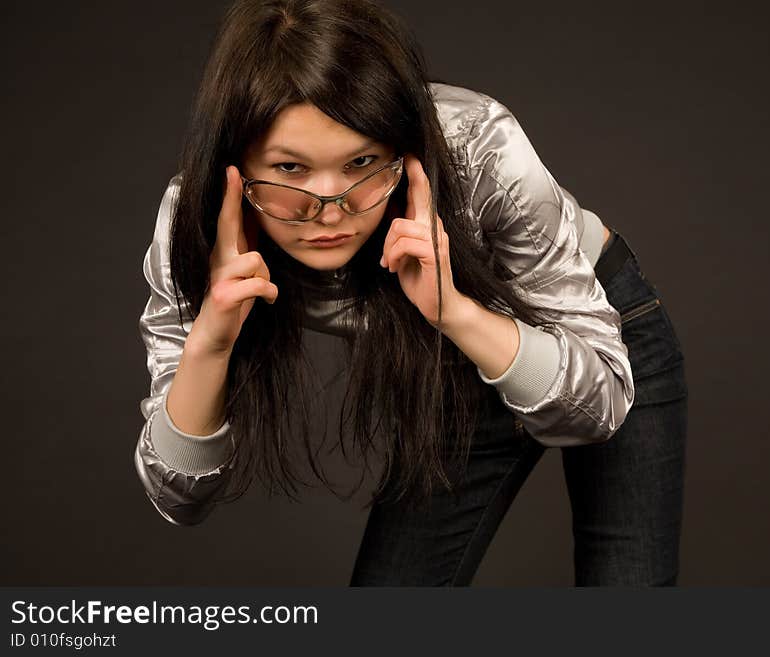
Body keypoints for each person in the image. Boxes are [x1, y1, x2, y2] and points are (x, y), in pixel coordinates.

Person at [134, 0, 687, 586]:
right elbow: (177, 496)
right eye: (291, 170)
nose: (329, 208)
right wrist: (210, 344)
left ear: (400, 151)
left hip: (594, 341)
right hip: (446, 363)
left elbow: (597, 407)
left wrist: (455, 310)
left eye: (363, 162)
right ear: (236, 164)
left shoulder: (475, 147)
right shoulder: (195, 228)